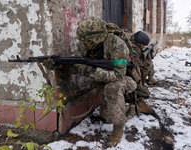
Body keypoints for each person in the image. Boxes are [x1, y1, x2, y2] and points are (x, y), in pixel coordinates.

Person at [43, 18, 154, 147]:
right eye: (82, 39)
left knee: (112, 88)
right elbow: (78, 66)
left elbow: (118, 74)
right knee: (107, 117)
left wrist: (90, 71)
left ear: (97, 37)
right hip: (104, 80)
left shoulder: (117, 44)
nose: (82, 42)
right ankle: (137, 108)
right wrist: (60, 66)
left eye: (86, 40)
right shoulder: (85, 45)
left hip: (125, 79)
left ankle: (119, 127)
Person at [128, 31, 156, 98]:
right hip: (131, 75)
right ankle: (136, 89)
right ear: (139, 43)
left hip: (134, 75)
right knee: (146, 94)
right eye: (143, 44)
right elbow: (137, 62)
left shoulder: (136, 47)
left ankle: (141, 85)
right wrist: (145, 64)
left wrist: (148, 55)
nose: (144, 46)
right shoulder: (133, 49)